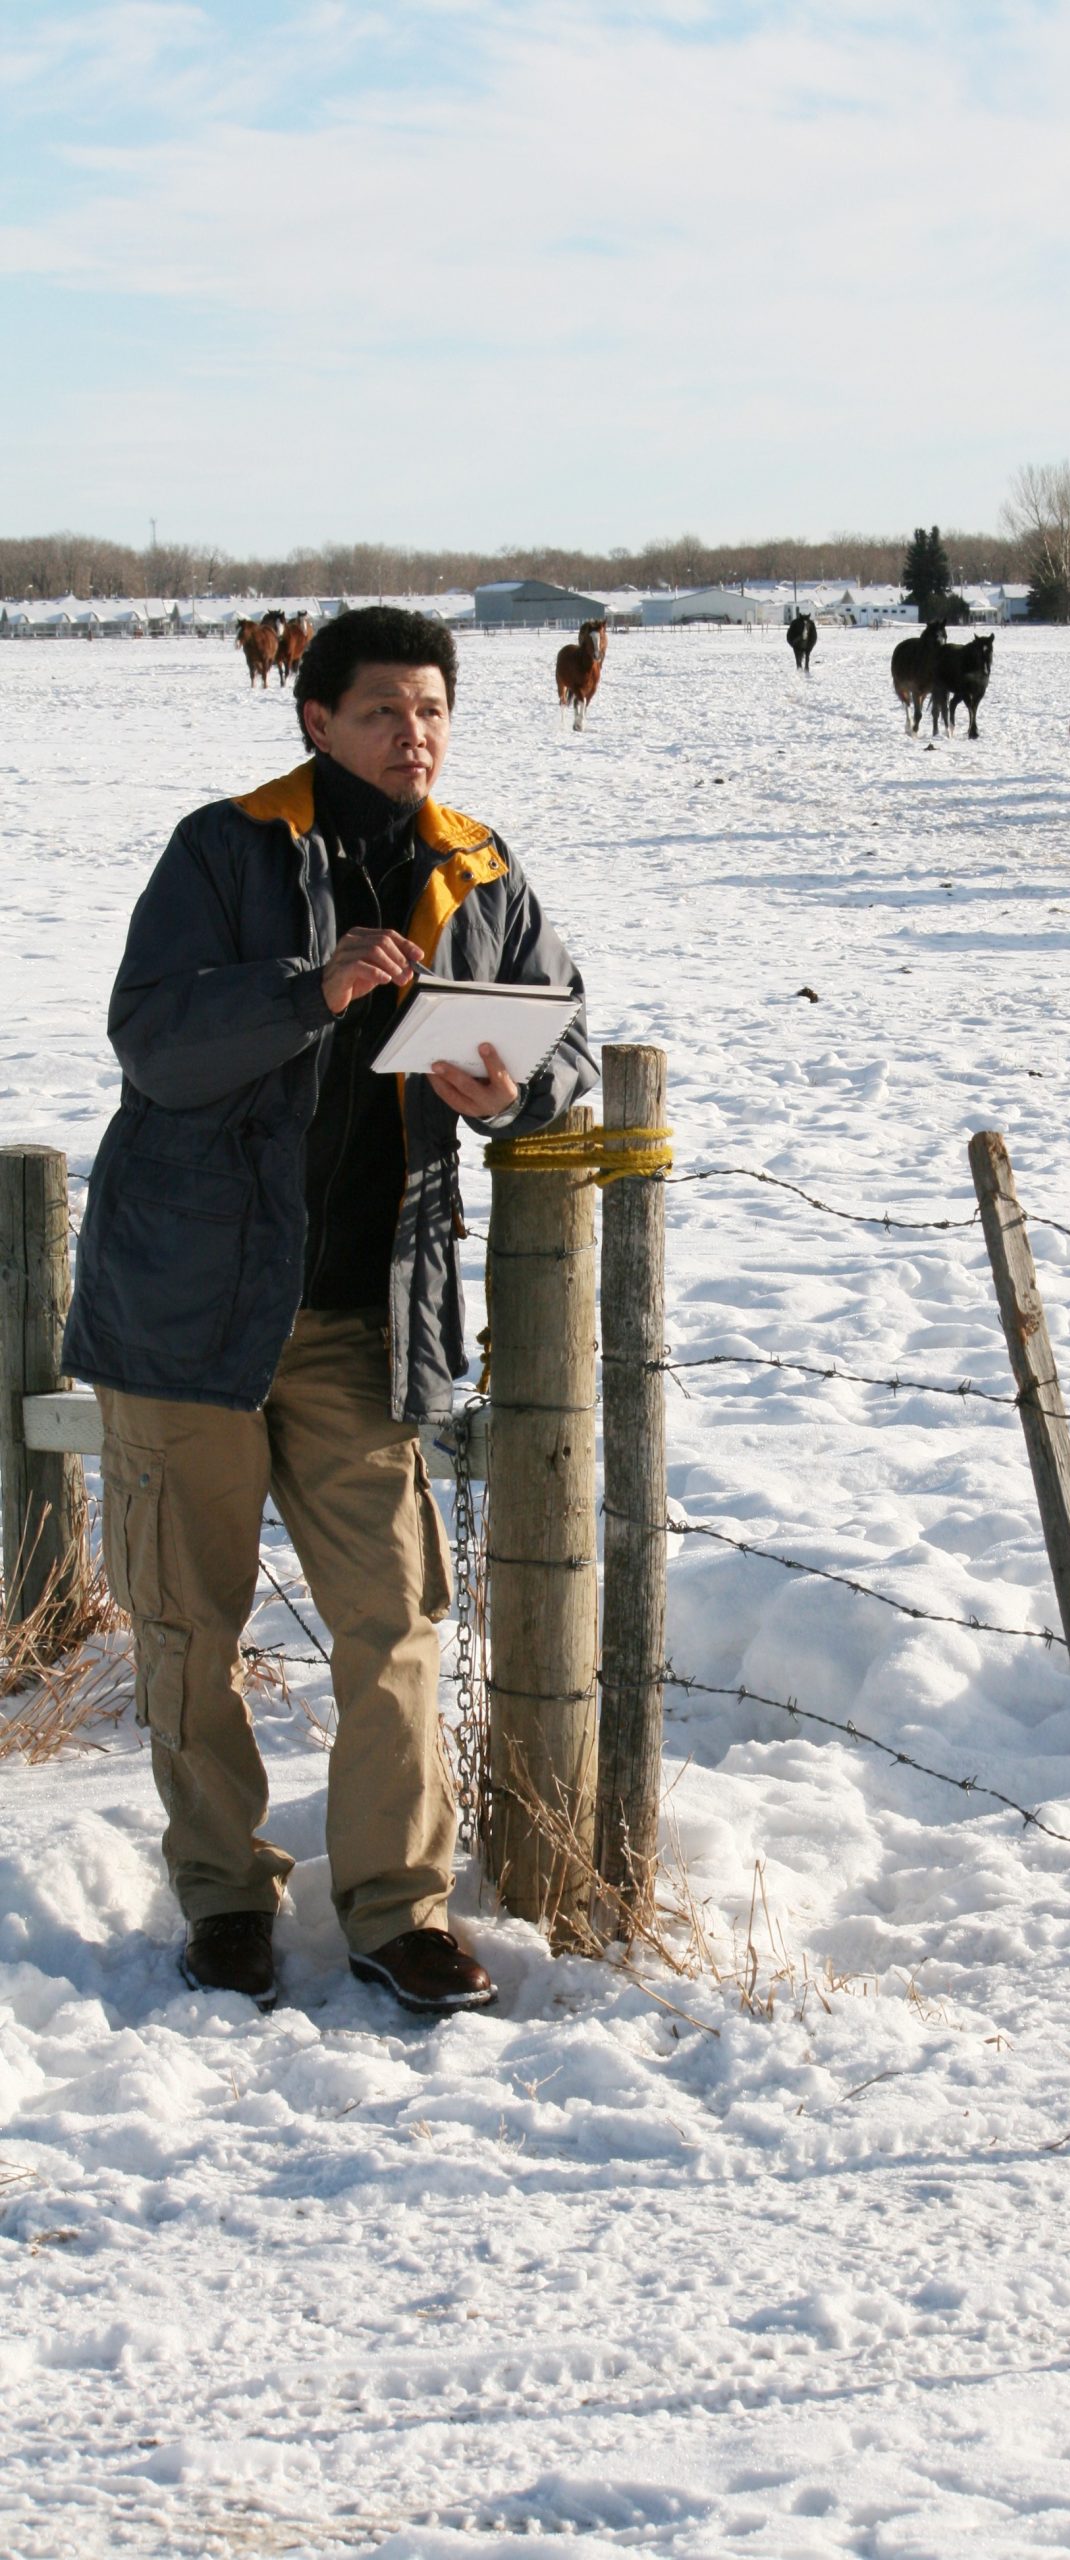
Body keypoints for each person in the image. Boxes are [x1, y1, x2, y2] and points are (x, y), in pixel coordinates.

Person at [63, 606, 594, 2016]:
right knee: (187, 1626)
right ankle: (228, 1897)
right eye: (380, 712)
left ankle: (399, 1910)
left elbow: (567, 1036)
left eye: (430, 710)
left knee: (397, 1625)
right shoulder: (224, 848)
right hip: (189, 1313)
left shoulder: (477, 867)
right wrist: (313, 988)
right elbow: (154, 1039)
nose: (411, 736)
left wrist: (516, 1089)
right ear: (316, 722)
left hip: (369, 1314)